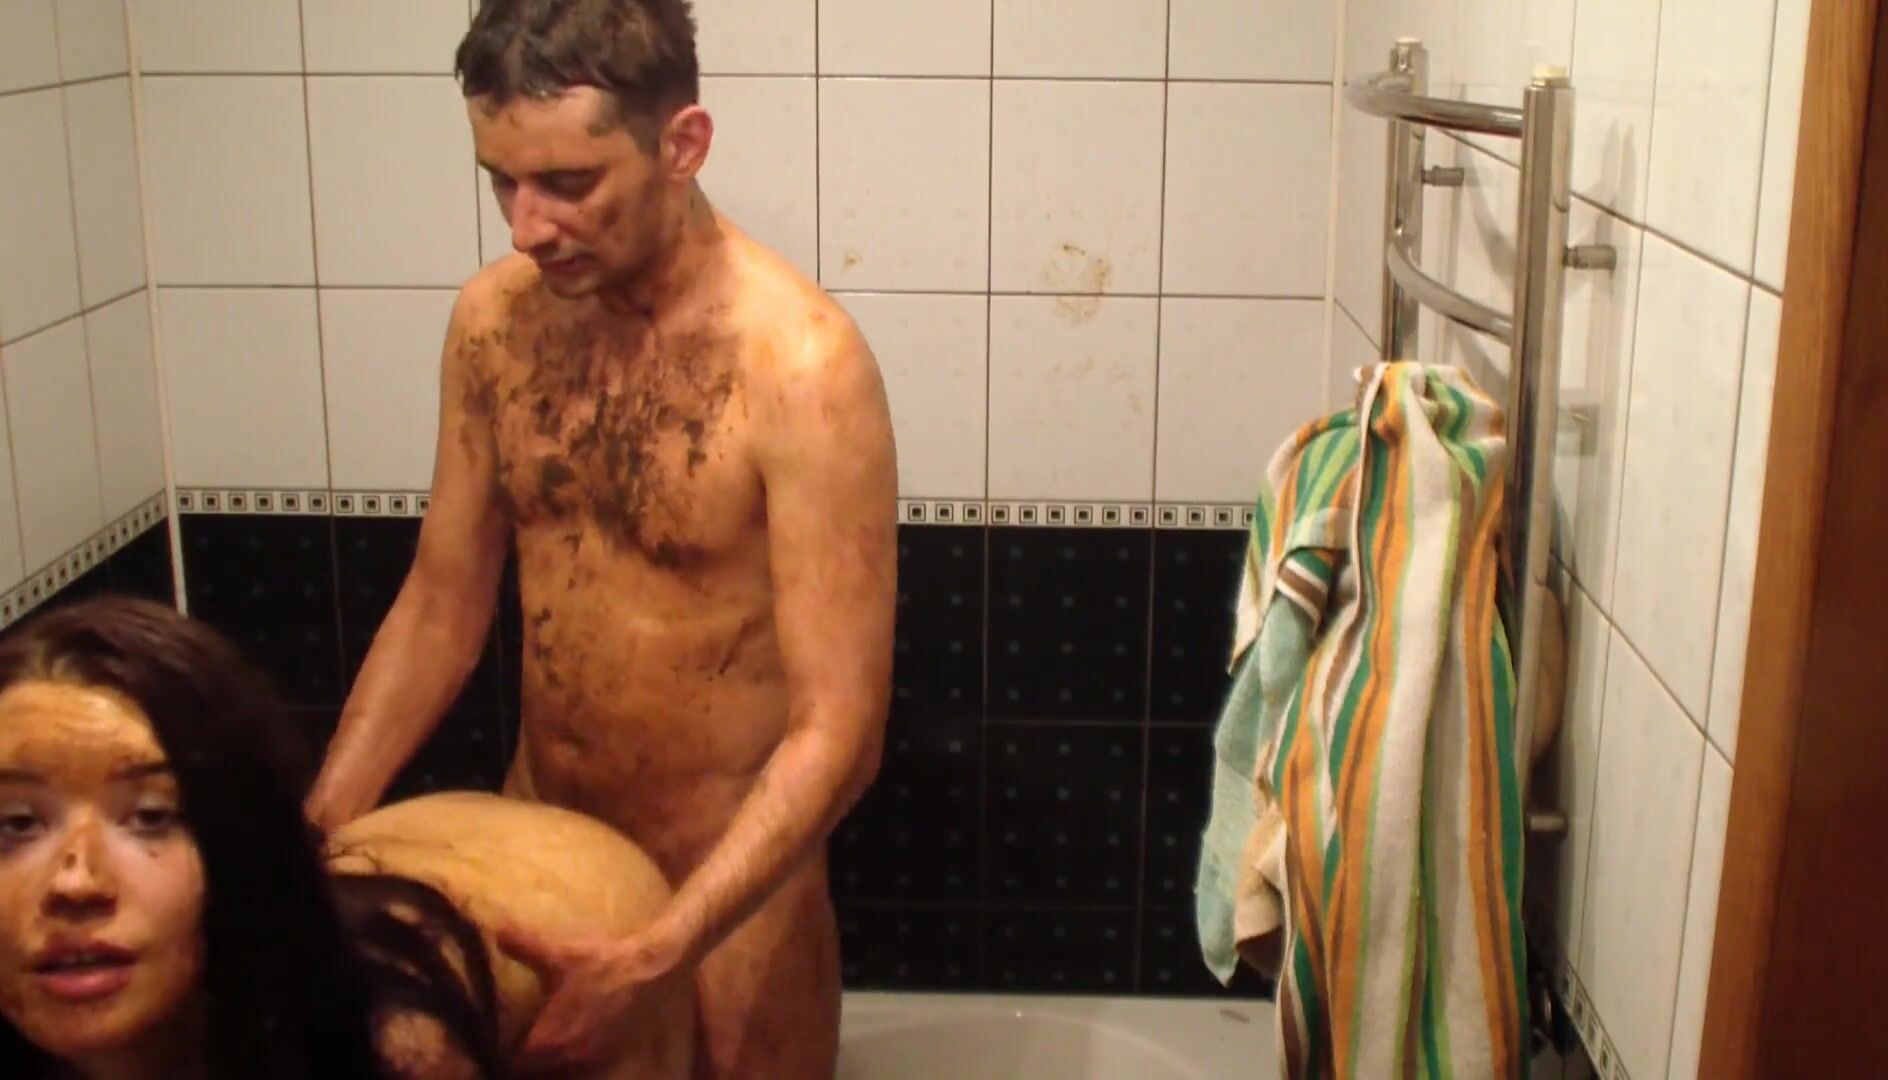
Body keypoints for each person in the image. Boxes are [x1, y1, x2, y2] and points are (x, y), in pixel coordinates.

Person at [304, 1, 898, 1076]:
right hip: (542, 856)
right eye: (501, 182)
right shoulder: (494, 325)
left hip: (729, 895)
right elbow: (441, 605)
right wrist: (309, 838)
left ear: (682, 145)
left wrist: (660, 950)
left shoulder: (801, 366)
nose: (526, 228)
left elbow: (840, 733)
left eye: (568, 183)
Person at [0, 595, 694, 1079]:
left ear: (241, 848)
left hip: (582, 902)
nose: (75, 882)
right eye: (17, 824)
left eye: (152, 817)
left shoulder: (390, 1043)